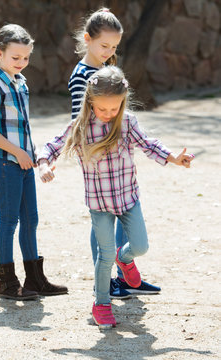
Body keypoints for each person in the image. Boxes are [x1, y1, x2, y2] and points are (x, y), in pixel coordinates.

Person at [38, 66, 194, 327]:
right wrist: (43, 164)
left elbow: (149, 144)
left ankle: (126, 259)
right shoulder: (81, 126)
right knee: (105, 254)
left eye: (115, 108)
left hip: (128, 199)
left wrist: (174, 158)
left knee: (141, 246)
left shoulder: (127, 122)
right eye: (103, 109)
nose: (109, 114)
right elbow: (51, 146)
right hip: (99, 204)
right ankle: (101, 303)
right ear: (90, 101)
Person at [69, 7, 161, 299]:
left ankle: (125, 274)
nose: (109, 52)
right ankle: (107, 281)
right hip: (98, 164)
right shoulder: (82, 76)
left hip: (118, 162)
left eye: (114, 47)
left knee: (124, 217)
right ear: (87, 39)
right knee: (102, 224)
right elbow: (78, 121)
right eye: (104, 46)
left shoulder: (106, 70)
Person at [0, 24, 68, 300]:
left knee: (31, 219)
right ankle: (7, 284)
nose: (21, 62)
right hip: (6, 162)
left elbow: (24, 128)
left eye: (25, 57)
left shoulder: (21, 83)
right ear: (0, 53)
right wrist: (17, 153)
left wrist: (34, 157)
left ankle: (35, 279)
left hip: (25, 161)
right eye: (15, 57)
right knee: (9, 220)